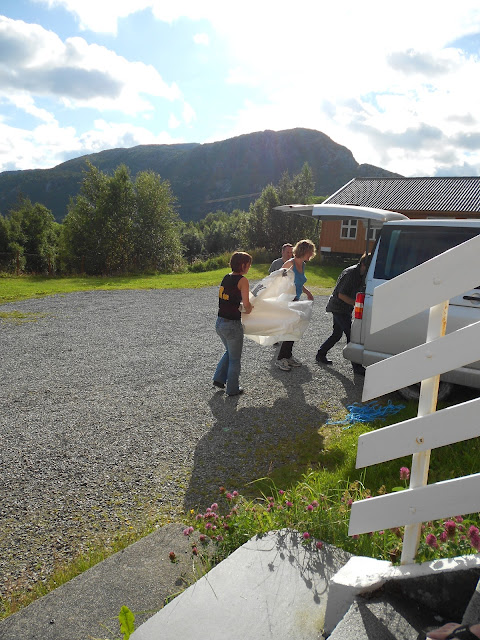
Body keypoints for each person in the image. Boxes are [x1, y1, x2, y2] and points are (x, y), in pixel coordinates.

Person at [316, 253, 369, 375]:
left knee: (337, 334)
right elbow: (341, 295)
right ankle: (356, 366)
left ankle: (320, 354)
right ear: (364, 264)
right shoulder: (351, 274)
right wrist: (357, 304)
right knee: (352, 335)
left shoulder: (361, 274)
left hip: (344, 308)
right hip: (338, 308)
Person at [213, 251, 253, 396]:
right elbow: (246, 304)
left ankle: (218, 378)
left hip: (220, 322)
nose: (249, 267)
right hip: (232, 325)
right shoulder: (243, 280)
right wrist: (250, 309)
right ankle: (232, 389)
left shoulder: (226, 277)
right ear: (243, 265)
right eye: (248, 264)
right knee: (235, 359)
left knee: (230, 352)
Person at [275, 239, 315, 371]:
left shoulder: (302, 264)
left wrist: (307, 292)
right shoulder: (289, 264)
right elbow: (277, 281)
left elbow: (299, 282)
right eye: (310, 252)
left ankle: (288, 356)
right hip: (287, 301)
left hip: (295, 300)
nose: (312, 254)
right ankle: (280, 359)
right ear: (304, 251)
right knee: (291, 329)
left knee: (295, 329)